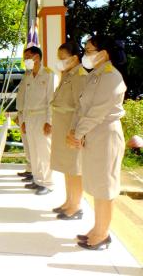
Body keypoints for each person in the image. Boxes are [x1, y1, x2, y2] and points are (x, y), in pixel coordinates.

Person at [67, 36, 126, 250]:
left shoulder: (111, 77)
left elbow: (97, 112)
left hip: (105, 135)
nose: (86, 54)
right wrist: (75, 131)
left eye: (90, 50)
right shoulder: (96, 76)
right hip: (93, 135)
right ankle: (97, 228)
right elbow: (83, 108)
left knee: (105, 186)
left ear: (104, 53)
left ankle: (103, 234)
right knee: (96, 183)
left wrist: (77, 133)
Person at [50, 42, 87, 220]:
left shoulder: (79, 76)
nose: (60, 62)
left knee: (74, 167)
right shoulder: (67, 75)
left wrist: (75, 131)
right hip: (62, 123)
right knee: (67, 166)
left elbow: (80, 106)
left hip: (71, 125)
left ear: (74, 58)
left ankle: (76, 206)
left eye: (62, 58)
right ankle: (69, 201)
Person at [19, 46, 56, 195]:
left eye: (28, 57)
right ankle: (37, 180)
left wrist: (49, 121)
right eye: (24, 57)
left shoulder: (48, 75)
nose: (25, 60)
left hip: (42, 117)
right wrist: (23, 121)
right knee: (33, 151)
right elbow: (26, 101)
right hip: (29, 117)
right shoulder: (28, 76)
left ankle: (48, 182)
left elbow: (51, 100)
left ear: (37, 57)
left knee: (44, 151)